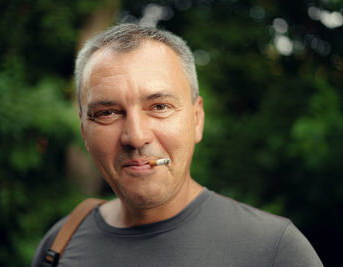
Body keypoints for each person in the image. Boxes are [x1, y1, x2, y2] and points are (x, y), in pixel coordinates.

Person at [32, 23, 323, 267]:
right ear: (85, 132)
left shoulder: (275, 250)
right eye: (107, 113)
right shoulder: (59, 244)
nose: (135, 137)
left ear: (197, 120)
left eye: (159, 106)